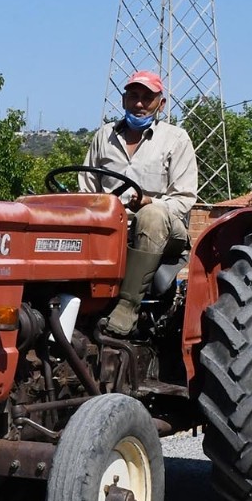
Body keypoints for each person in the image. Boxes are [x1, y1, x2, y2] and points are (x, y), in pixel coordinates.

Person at [79, 69, 199, 337]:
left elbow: (184, 198)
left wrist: (149, 202)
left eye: (148, 97)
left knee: (152, 215)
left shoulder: (176, 139)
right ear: (123, 100)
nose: (140, 103)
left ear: (161, 103)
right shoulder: (104, 136)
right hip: (110, 225)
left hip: (166, 230)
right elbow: (86, 188)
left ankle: (126, 309)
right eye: (133, 96)